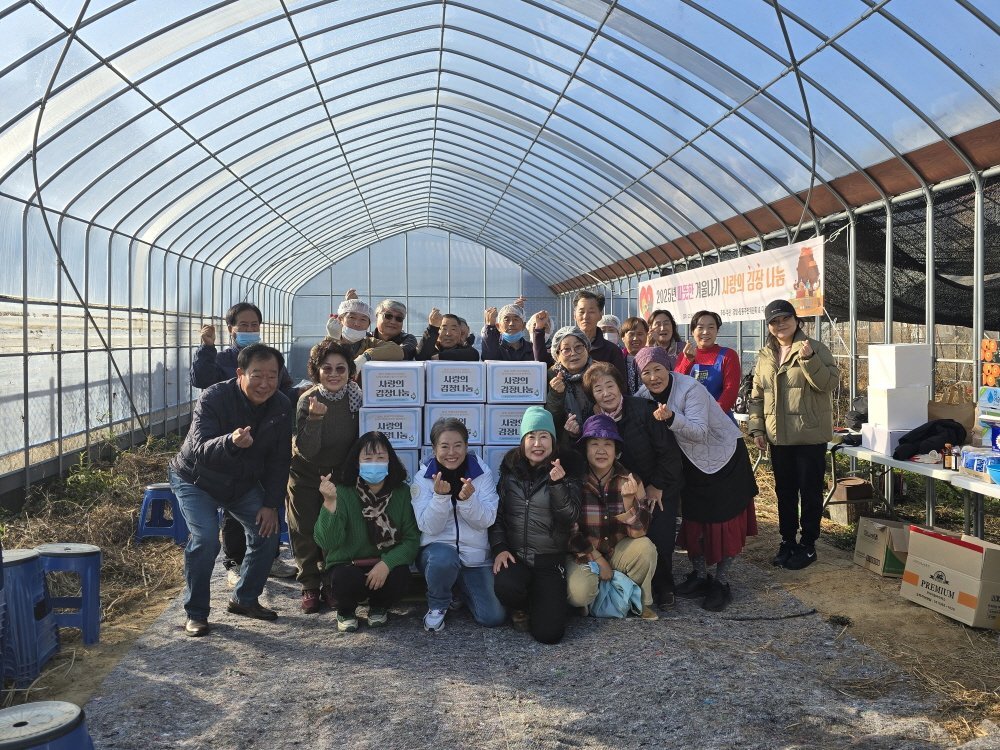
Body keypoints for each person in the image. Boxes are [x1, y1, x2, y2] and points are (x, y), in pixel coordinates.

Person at [168, 343, 292, 637]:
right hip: (197, 479)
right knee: (206, 539)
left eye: (272, 376)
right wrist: (231, 442)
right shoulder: (214, 397)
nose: (265, 384)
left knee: (267, 531)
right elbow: (200, 449)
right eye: (257, 375)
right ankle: (196, 613)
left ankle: (244, 598)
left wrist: (271, 504)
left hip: (241, 482)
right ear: (240, 373)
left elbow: (279, 460)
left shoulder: (281, 406)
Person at [634, 346, 759, 611]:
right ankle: (700, 576)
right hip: (690, 466)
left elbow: (700, 431)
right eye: (646, 372)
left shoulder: (690, 388)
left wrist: (671, 418)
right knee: (694, 522)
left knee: (723, 523)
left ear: (668, 367)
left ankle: (721, 582)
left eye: (658, 369)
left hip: (722, 459)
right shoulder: (643, 395)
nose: (653, 377)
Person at [189, 302, 298, 582]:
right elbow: (201, 379)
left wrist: (302, 394)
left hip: (262, 440)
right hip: (228, 444)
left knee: (265, 501)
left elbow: (284, 390)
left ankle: (269, 558)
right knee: (234, 503)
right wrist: (206, 347)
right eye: (244, 325)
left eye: (254, 325)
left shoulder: (268, 359)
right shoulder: (223, 359)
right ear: (231, 329)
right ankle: (235, 561)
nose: (250, 330)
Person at [583, 361, 684, 608]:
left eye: (610, 386)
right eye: (598, 389)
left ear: (620, 386)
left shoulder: (643, 409)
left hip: (657, 483)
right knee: (626, 536)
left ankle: (664, 585)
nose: (606, 393)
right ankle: (628, 585)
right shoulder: (593, 418)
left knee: (660, 534)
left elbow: (669, 453)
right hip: (618, 488)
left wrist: (656, 486)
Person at [748, 299, 838, 571]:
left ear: (797, 320)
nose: (780, 325)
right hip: (779, 438)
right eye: (774, 321)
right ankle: (787, 540)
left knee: (810, 493)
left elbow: (829, 384)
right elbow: (757, 395)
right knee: (785, 493)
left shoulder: (815, 348)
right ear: (769, 326)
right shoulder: (766, 355)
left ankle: (808, 544)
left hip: (809, 436)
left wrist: (809, 360)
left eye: (785, 319)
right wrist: (757, 428)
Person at [490, 407, 582, 644]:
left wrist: (557, 485)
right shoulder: (510, 471)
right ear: (523, 441)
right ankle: (521, 606)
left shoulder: (567, 468)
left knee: (549, 635)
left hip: (548, 560)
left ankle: (542, 603)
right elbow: (497, 515)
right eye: (531, 436)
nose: (537, 443)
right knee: (506, 586)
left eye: (544, 436)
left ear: (553, 441)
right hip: (516, 556)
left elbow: (570, 516)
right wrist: (500, 547)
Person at [313, 432, 419, 632]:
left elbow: (412, 540)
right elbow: (327, 542)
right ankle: (345, 611)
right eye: (368, 458)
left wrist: (387, 563)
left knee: (400, 575)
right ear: (357, 462)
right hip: (348, 564)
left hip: (382, 563)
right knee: (344, 579)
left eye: (380, 457)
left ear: (390, 460)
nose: (374, 463)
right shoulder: (342, 492)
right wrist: (329, 502)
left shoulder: (402, 492)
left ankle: (379, 606)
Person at [286, 339, 361, 614]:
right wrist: (315, 419)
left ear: (349, 371)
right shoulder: (308, 400)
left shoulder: (357, 399)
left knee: (333, 530)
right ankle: (309, 584)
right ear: (316, 371)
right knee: (305, 530)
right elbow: (306, 450)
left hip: (337, 475)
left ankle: (330, 582)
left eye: (340, 368)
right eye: (326, 368)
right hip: (305, 475)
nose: (334, 374)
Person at [412, 418, 506, 632]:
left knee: (493, 617)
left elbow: (488, 519)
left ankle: (458, 589)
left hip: (475, 558)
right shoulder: (422, 478)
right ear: (434, 449)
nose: (451, 452)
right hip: (437, 554)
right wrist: (440, 498)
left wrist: (468, 501)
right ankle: (437, 604)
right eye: (444, 446)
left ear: (466, 446)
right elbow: (429, 527)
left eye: (458, 445)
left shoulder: (482, 474)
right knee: (444, 559)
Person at [566, 415, 658, 620]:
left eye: (608, 444)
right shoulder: (574, 480)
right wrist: (597, 559)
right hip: (583, 553)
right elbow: (568, 531)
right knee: (580, 593)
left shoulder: (631, 479)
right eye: (594, 444)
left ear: (616, 450)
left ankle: (640, 602)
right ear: (585, 449)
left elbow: (641, 532)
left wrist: (628, 502)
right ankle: (601, 595)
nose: (601, 450)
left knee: (646, 548)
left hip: (616, 551)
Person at [674, 310, 742, 416]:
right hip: (689, 419)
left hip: (719, 418)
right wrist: (687, 360)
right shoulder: (684, 355)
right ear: (692, 332)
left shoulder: (728, 355)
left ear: (717, 331)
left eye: (711, 327)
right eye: (700, 327)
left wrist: (711, 415)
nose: (705, 332)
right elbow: (675, 385)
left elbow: (730, 391)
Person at [544, 326, 595, 446]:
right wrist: (556, 395)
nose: (573, 353)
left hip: (597, 442)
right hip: (562, 447)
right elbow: (547, 421)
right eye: (566, 349)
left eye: (578, 347)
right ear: (557, 355)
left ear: (587, 348)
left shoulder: (600, 373)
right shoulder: (548, 377)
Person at [326, 293, 407, 368]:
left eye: (363, 319)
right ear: (340, 320)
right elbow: (321, 360)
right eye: (352, 317)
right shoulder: (328, 342)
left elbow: (397, 351)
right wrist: (333, 339)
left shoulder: (369, 343)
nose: (357, 323)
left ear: (368, 325)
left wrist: (365, 356)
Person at [568, 291, 626, 378]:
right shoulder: (565, 348)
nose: (585, 317)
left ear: (600, 315)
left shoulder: (612, 351)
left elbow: (620, 383)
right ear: (574, 315)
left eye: (591, 312)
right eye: (581, 312)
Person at [620, 316, 650, 395]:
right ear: (623, 338)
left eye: (640, 334)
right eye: (631, 334)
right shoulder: (617, 359)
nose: (635, 338)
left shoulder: (654, 359)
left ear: (647, 336)